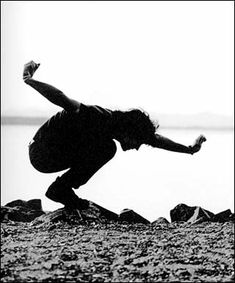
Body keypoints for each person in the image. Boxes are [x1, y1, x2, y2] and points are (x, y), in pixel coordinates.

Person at [23, 60, 206, 211]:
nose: (135, 147)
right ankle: (60, 190)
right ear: (129, 132)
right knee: (107, 148)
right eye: (137, 142)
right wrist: (29, 80)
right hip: (42, 150)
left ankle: (61, 189)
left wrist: (189, 150)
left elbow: (156, 140)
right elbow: (61, 98)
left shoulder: (118, 128)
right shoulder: (100, 117)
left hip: (53, 152)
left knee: (105, 146)